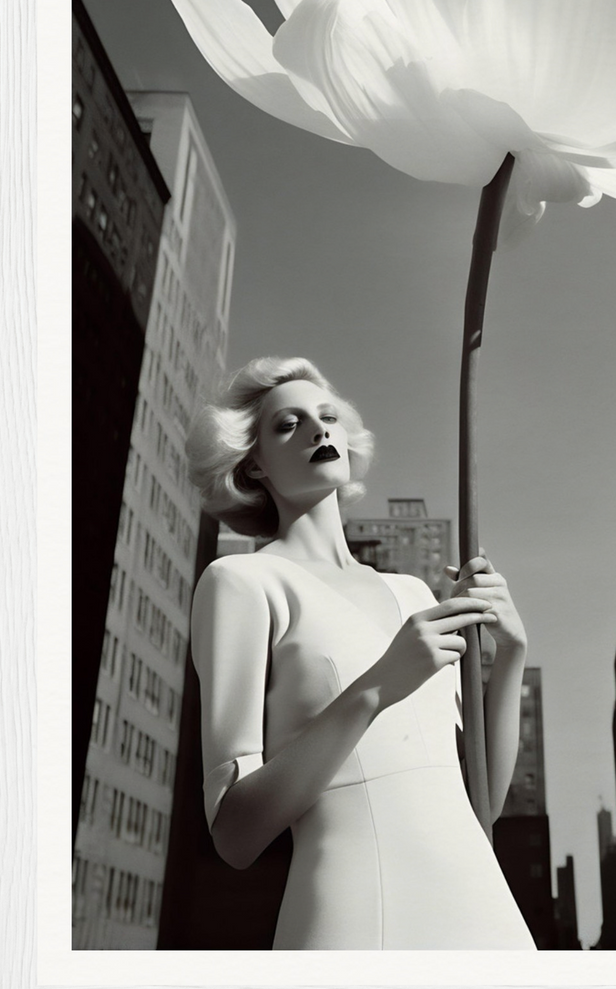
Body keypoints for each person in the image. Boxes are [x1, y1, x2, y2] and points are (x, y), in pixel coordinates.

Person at [185, 355, 537, 950]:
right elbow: (235, 834)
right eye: (288, 424)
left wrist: (511, 655)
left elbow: (482, 804)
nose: (319, 430)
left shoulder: (413, 594)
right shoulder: (242, 583)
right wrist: (377, 687)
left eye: (327, 416)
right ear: (254, 466)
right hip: (358, 915)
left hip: (486, 912)